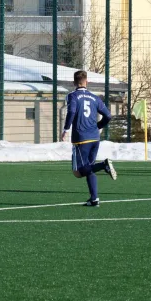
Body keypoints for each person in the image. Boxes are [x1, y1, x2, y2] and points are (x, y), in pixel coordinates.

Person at [61, 70, 117, 206]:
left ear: (74, 82)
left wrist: (66, 129)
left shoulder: (72, 96)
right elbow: (108, 116)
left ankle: (104, 165)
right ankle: (94, 199)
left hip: (81, 138)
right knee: (89, 168)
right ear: (87, 82)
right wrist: (98, 126)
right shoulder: (95, 97)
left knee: (78, 172)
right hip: (94, 138)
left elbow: (72, 111)